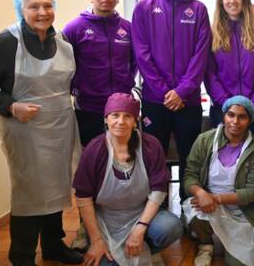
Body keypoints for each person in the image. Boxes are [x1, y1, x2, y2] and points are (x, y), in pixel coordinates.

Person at [0, 0, 82, 265]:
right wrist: (11, 106)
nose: (42, 12)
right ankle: (21, 255)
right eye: (34, 7)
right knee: (29, 192)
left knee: (57, 187)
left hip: (59, 127)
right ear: (21, 10)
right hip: (23, 129)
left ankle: (53, 245)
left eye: (48, 6)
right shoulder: (4, 43)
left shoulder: (63, 42)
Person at [132, 0, 211, 200]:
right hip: (156, 101)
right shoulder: (143, 8)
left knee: (191, 157)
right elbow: (141, 54)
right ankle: (157, 211)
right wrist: (165, 91)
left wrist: (182, 91)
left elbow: (201, 56)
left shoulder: (198, 10)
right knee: (155, 157)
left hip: (188, 101)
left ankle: (190, 212)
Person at [73, 93, 182, 266]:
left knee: (171, 226)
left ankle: (146, 248)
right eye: (115, 115)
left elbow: (159, 189)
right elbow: (83, 197)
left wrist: (140, 227)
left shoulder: (150, 146)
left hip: (140, 213)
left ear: (135, 121)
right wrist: (96, 240)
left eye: (127, 116)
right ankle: (100, 243)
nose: (121, 121)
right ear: (106, 119)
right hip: (105, 220)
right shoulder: (95, 149)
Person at [182, 96, 254, 266]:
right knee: (192, 209)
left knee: (239, 263)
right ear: (224, 116)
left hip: (241, 210)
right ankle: (206, 244)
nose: (235, 121)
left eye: (242, 117)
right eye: (231, 115)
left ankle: (241, 239)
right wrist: (201, 193)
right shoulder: (204, 140)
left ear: (249, 120)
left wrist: (217, 198)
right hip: (208, 205)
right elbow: (189, 175)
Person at [63, 0, 136, 147]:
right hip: (89, 107)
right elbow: (65, 65)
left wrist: (126, 84)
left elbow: (134, 61)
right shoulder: (74, 28)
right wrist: (76, 89)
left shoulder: (128, 28)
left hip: (121, 107)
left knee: (123, 154)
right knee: (92, 157)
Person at [204, 0, 254, 129]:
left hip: (253, 110)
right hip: (222, 109)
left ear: (244, 0)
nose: (232, 1)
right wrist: (226, 103)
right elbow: (209, 73)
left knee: (252, 152)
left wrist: (252, 103)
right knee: (223, 152)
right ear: (221, 1)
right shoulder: (212, 33)